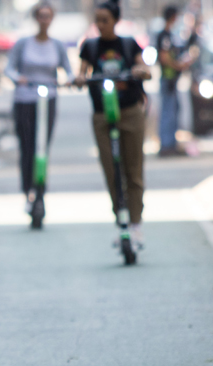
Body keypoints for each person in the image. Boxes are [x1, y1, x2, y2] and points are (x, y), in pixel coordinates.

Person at [74, 1, 151, 246]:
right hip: (102, 114)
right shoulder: (90, 46)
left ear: (115, 20)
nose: (100, 25)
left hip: (129, 111)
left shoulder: (128, 44)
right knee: (111, 170)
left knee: (133, 170)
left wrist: (141, 71)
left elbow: (144, 67)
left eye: (105, 20)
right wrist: (79, 78)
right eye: (97, 20)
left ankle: (136, 223)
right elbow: (82, 72)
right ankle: (121, 220)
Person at [6, 2, 72, 211]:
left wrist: (68, 80)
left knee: (42, 147)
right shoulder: (23, 44)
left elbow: (68, 71)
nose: (44, 20)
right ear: (36, 18)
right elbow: (9, 69)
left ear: (52, 19)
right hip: (25, 99)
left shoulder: (57, 45)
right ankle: (28, 191)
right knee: (27, 147)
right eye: (41, 16)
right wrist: (19, 78)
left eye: (48, 16)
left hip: (48, 99)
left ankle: (41, 190)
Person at [156, 5, 190, 157]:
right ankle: (166, 145)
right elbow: (164, 57)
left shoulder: (170, 35)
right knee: (168, 112)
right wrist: (178, 65)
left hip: (172, 79)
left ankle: (171, 144)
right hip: (168, 78)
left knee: (174, 110)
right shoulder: (164, 35)